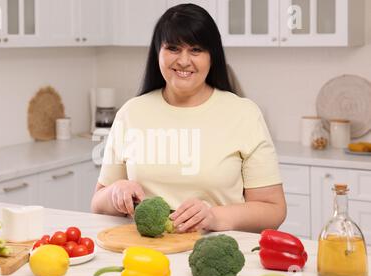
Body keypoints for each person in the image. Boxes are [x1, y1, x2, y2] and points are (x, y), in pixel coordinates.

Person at [91, 4, 286, 233]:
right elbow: (97, 203)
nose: (184, 61)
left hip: (215, 252)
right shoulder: (130, 113)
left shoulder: (244, 114)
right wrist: (115, 192)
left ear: (212, 57)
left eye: (195, 50)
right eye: (173, 48)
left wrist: (214, 217)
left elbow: (273, 209)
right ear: (157, 53)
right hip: (144, 255)